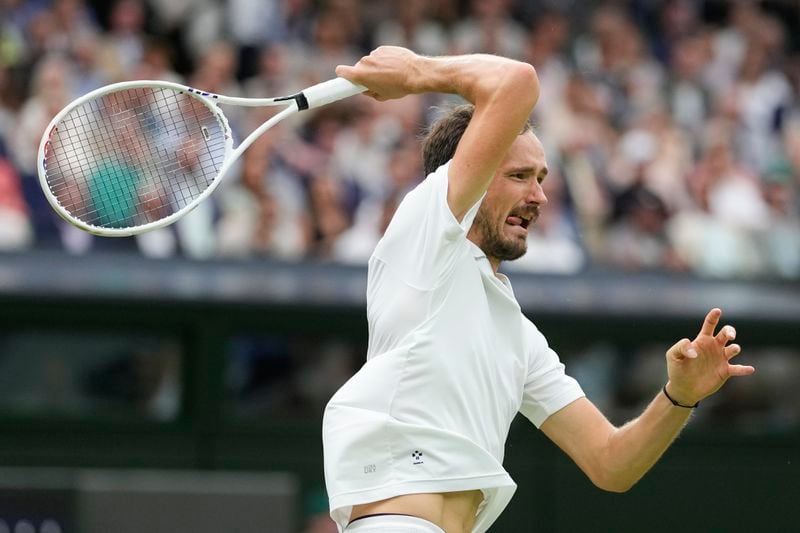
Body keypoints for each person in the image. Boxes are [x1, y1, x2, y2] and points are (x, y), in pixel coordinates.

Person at [322, 46, 755, 533]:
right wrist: (416, 72)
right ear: (468, 173)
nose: (539, 196)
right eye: (519, 175)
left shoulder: (518, 336)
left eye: (542, 179)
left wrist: (680, 397)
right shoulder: (424, 231)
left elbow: (611, 463)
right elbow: (516, 82)